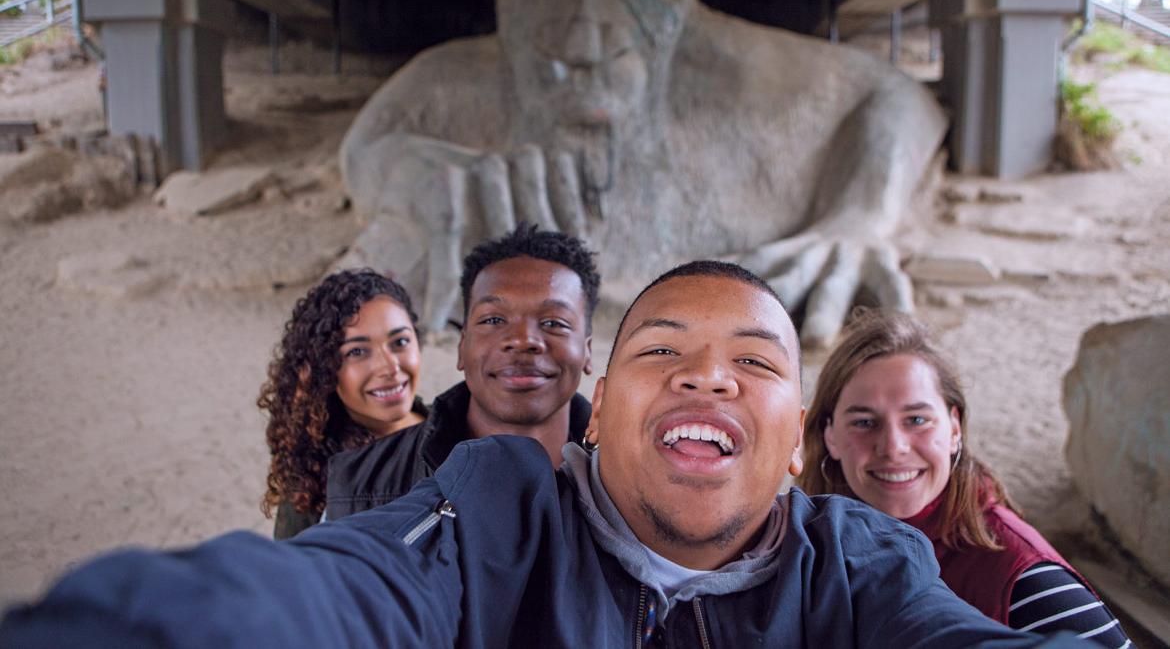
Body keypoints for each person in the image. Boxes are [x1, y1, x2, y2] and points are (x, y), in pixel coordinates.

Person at [1, 261, 1081, 648]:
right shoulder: (501, 506)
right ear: (597, 413)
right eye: (666, 353)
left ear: (798, 441)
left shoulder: (861, 561)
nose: (709, 379)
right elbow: (351, 586)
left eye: (754, 364)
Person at [799, 309, 1129, 645]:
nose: (893, 447)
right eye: (864, 422)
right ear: (830, 436)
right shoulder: (809, 544)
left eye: (916, 420)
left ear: (954, 428)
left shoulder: (1024, 579)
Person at [324, 222, 597, 520]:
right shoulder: (359, 485)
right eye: (493, 320)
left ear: (587, 351)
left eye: (554, 323)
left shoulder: (629, 481)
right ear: (462, 346)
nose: (522, 340)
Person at [258, 269, 425, 539]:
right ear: (324, 370)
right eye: (357, 352)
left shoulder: (462, 441)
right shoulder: (314, 470)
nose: (390, 367)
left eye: (400, 342)